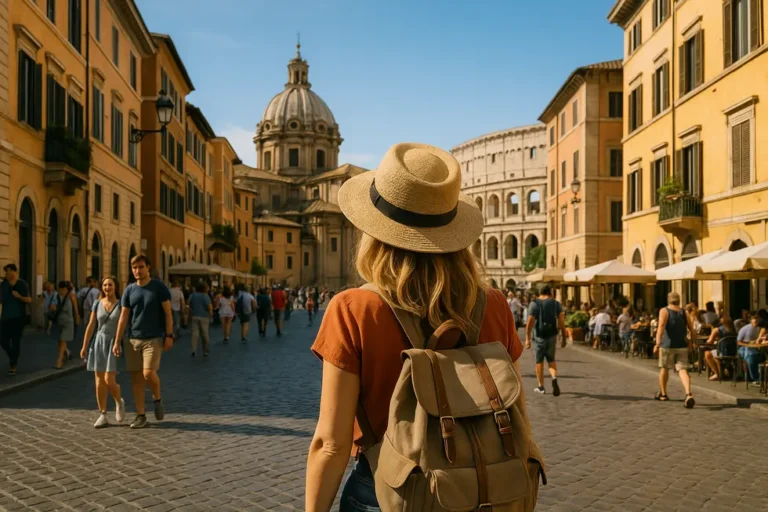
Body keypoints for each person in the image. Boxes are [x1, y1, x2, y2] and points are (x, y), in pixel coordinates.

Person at [306, 143, 530, 511]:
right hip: (483, 492)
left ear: (374, 234)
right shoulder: (494, 305)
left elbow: (330, 444)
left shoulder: (354, 308)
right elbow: (516, 408)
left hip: (388, 492)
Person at [113, 255, 173, 429]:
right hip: (132, 339)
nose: (137, 271)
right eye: (134, 268)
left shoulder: (158, 287)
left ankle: (157, 398)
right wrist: (117, 341)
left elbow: (168, 313)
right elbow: (123, 317)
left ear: (148, 267)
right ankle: (141, 416)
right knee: (137, 380)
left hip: (153, 338)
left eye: (140, 267)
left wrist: (169, 335)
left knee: (148, 373)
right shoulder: (129, 290)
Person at [80, 276, 125, 428]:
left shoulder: (121, 305)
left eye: (110, 285)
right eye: (105, 285)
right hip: (98, 342)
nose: (107, 288)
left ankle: (119, 401)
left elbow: (123, 325)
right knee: (99, 381)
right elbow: (91, 325)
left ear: (115, 287)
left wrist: (118, 342)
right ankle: (103, 414)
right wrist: (84, 346)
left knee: (109, 380)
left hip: (113, 343)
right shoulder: (97, 303)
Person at [654, 291, 696, 408]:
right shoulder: (684, 312)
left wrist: (657, 344)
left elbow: (661, 327)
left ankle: (663, 394)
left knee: (664, 368)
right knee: (682, 370)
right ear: (679, 300)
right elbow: (692, 329)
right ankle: (688, 393)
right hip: (682, 345)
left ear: (668, 300)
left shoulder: (664, 311)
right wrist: (692, 342)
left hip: (667, 345)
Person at [525, 284, 566, 396]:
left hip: (539, 336)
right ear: (550, 292)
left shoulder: (534, 304)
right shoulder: (556, 304)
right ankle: (554, 377)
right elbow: (562, 322)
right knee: (551, 360)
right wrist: (564, 338)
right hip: (552, 335)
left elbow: (529, 323)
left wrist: (527, 339)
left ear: (539, 293)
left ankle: (541, 386)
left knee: (539, 361)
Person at [0, 263, 32, 376]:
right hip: (5, 317)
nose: (7, 274)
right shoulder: (3, 284)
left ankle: (13, 365)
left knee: (15, 341)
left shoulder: (22, 284)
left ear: (14, 271)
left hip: (18, 317)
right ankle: (13, 356)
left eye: (9, 271)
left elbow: (29, 300)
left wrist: (19, 296)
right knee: (2, 340)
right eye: (6, 272)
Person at [50, 281, 80, 369]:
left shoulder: (71, 296)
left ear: (67, 289)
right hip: (59, 321)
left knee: (63, 340)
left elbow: (75, 308)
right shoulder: (55, 296)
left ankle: (59, 361)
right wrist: (53, 307)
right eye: (61, 289)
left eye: (64, 289)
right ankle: (66, 352)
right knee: (60, 341)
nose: (62, 291)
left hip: (68, 322)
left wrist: (77, 316)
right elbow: (52, 306)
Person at [703, 315, 736, 380]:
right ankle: (723, 371)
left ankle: (717, 373)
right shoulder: (733, 329)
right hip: (733, 352)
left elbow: (709, 342)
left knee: (707, 353)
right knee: (714, 353)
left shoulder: (717, 330)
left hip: (722, 352)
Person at [736, 312, 765, 385]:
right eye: (754, 321)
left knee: (760, 355)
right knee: (750, 356)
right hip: (743, 347)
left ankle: (762, 376)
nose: (756, 323)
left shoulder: (761, 328)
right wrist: (747, 344)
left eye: (757, 321)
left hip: (757, 347)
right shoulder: (745, 329)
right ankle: (755, 378)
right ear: (751, 321)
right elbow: (738, 342)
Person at [188, 282, 213, 357]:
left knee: (194, 334)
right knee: (205, 334)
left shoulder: (192, 295)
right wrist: (211, 315)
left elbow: (188, 303)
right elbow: (210, 307)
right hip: (204, 317)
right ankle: (205, 350)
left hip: (194, 316)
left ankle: (193, 350)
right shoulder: (206, 296)